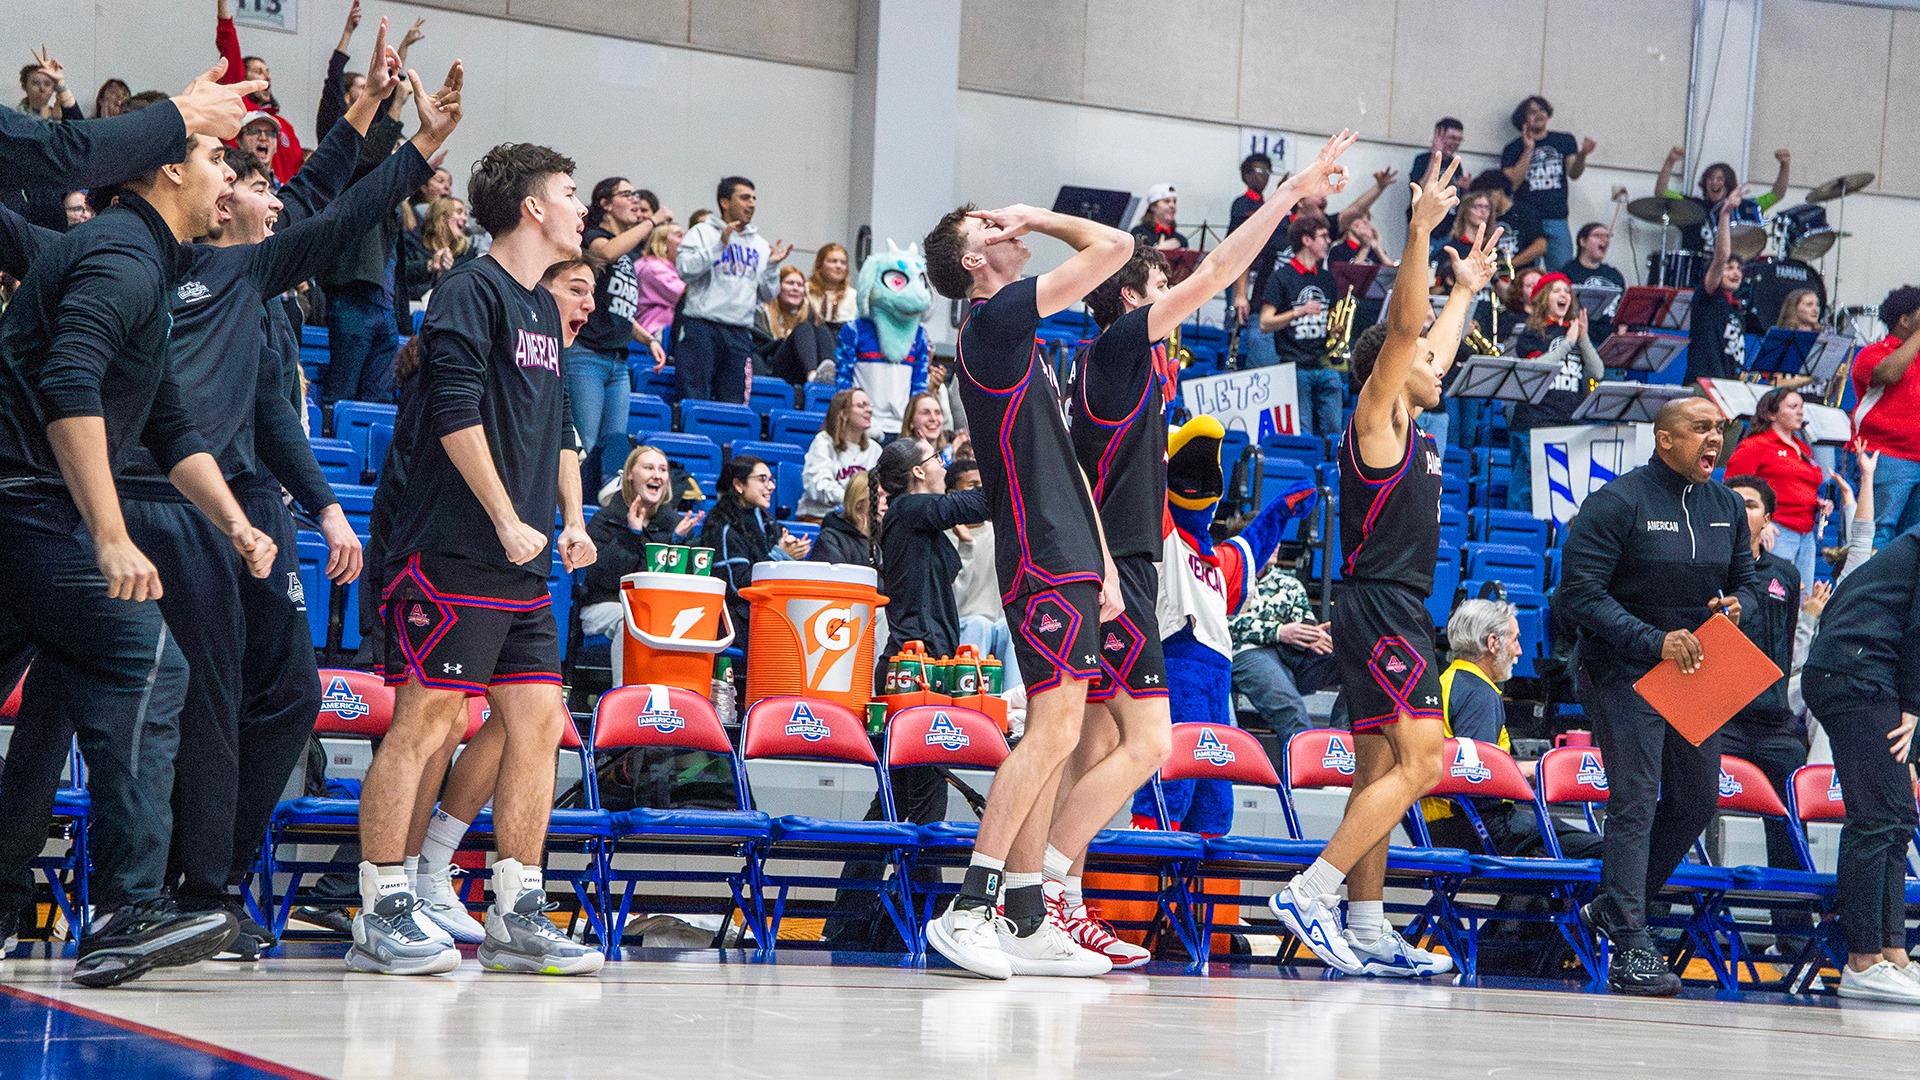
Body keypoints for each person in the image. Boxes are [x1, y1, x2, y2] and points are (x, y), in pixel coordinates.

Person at [1060, 132, 1356, 969]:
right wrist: (1293, 191)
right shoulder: (1120, 349)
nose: (1175, 293)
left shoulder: (1139, 368)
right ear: (1129, 298)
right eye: (1160, 283)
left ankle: (1056, 901)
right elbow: (1221, 271)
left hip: (1124, 568)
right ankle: (1042, 887)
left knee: (1088, 749)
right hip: (1119, 570)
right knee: (1141, 746)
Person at [0, 130, 281, 987]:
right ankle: (128, 910)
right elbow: (69, 383)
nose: (229, 181)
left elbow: (164, 421)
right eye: (216, 164)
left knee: (88, 678)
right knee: (146, 660)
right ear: (168, 170)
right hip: (28, 505)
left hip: (32, 510)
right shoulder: (121, 258)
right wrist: (113, 532)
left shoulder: (144, 264)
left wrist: (234, 520)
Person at [348, 141, 605, 978]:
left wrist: (560, 522)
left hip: (522, 563)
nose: (581, 207)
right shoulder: (470, 290)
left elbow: (549, 430)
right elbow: (456, 414)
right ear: (533, 207)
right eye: (570, 193)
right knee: (426, 722)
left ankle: (516, 904)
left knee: (536, 722)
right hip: (454, 550)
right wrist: (504, 517)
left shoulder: (540, 308)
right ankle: (381, 905)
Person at [1264, 157, 1493, 979]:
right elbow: (1406, 335)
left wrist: (1464, 289)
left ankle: (1364, 924)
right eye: (1426, 360)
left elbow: (1428, 338)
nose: (1442, 363)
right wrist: (1423, 231)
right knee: (1426, 761)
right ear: (1391, 375)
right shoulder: (1378, 416)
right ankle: (1313, 890)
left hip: (1379, 607)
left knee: (1380, 769)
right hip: (1384, 607)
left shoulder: (1413, 420)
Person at [918, 192, 1133, 980]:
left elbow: (1067, 467)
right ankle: (969, 909)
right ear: (975, 261)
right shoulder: (996, 319)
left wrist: (1104, 561)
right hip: (1040, 554)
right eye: (991, 231)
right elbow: (1115, 247)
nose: (1007, 234)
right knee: (1049, 733)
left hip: (1069, 550)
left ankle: (1026, 912)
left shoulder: (1018, 336)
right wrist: (1039, 218)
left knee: (1064, 737)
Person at [1556, 396, 1755, 995]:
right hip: (1623, 669)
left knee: (1696, 801)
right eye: (1700, 429)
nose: (1714, 438)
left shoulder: (1725, 505)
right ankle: (1632, 943)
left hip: (1695, 667)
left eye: (1718, 429)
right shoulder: (1618, 501)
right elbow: (1580, 595)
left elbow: (1744, 576)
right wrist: (1652, 640)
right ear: (1665, 440)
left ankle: (1617, 908)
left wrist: (1737, 603)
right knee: (1636, 800)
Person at [1800, 530, 1920, 1003]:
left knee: (1897, 819)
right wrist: (1913, 704)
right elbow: (1918, 631)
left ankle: (1894, 955)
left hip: (1860, 670)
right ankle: (1862, 960)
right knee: (1875, 819)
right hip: (1857, 675)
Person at [1421, 600, 1602, 859]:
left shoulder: (1446, 682)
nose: (1519, 651)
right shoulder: (1479, 695)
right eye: (1515, 640)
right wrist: (1528, 772)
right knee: (1610, 853)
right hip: (1480, 829)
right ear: (1493, 643)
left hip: (1442, 825)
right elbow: (1476, 778)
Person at [1715, 475, 1811, 940]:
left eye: (1750, 505)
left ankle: (1793, 938)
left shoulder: (1785, 576)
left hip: (1772, 723)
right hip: (1719, 718)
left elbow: (1787, 644)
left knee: (1790, 824)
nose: (1740, 511)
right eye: (1733, 504)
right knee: (1680, 804)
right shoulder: (1706, 569)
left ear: (1768, 519)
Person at [573, 177, 671, 475]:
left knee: (614, 448)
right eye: (627, 195)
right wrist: (652, 220)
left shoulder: (628, 255)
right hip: (587, 355)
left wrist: (649, 340)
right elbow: (604, 254)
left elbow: (618, 309)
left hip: (618, 361)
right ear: (605, 203)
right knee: (585, 445)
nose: (635, 202)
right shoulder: (593, 236)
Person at [675, 175, 789, 403]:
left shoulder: (759, 244)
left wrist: (772, 266)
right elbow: (684, 270)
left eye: (754, 199)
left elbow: (768, 294)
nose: (752, 204)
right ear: (725, 202)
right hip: (702, 328)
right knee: (694, 399)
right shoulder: (702, 232)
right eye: (745, 198)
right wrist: (720, 245)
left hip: (739, 333)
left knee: (733, 403)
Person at [1503, 273, 1602, 512]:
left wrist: (1583, 338)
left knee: (1558, 490)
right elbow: (1536, 369)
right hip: (1534, 421)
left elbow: (1597, 372)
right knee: (1526, 487)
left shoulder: (1576, 335)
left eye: (1567, 291)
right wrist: (1566, 344)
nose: (1564, 296)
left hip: (1567, 422)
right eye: (1557, 290)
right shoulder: (1532, 333)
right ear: (1545, 297)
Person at [580, 445, 700, 639]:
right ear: (630, 475)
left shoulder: (676, 525)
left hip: (659, 607)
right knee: (633, 620)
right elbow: (604, 578)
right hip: (607, 604)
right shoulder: (605, 519)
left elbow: (691, 581)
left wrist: (677, 542)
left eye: (663, 469)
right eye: (648, 468)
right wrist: (632, 535)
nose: (657, 475)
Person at [1229, 553, 1340, 745]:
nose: (1276, 546)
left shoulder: (1289, 583)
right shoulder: (1226, 576)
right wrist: (1279, 631)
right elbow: (1223, 623)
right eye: (1270, 538)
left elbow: (1303, 618)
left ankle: (1342, 738)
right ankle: (1308, 766)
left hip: (1291, 654)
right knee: (1291, 710)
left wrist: (1312, 633)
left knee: (1362, 660)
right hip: (1247, 652)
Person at [1723, 388, 1828, 586]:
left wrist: (1817, 502)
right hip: (1776, 530)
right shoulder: (1756, 445)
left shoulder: (1803, 448)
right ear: (1771, 414)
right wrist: (1759, 525)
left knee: (1800, 596)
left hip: (1806, 532)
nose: (1800, 412)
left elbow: (1794, 484)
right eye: (1792, 407)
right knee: (1775, 591)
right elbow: (1732, 489)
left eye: (1801, 407)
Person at [702, 455, 811, 641]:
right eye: (762, 479)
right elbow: (736, 587)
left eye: (771, 480)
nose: (771, 486)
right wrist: (779, 556)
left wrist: (792, 555)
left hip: (768, 612)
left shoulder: (767, 520)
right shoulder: (722, 526)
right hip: (735, 618)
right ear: (739, 485)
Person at [1848, 285, 1920, 548]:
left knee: (1912, 542)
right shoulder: (1873, 353)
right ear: (1904, 320)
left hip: (1916, 456)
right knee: (1878, 532)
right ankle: (1869, 590)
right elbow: (1888, 375)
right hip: (1885, 456)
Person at [1259, 215, 1343, 436]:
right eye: (1323, 236)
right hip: (1294, 364)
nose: (1327, 241)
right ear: (1306, 240)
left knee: (1334, 428)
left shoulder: (1326, 278)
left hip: (1325, 363)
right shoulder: (1281, 277)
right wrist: (1299, 312)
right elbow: (1265, 323)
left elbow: (1334, 318)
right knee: (1302, 430)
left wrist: (1338, 329)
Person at [1500, 96, 1594, 269]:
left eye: (1542, 110)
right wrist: (1528, 150)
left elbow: (1574, 173)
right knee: (1524, 274)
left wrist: (1582, 155)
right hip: (1526, 220)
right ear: (1523, 118)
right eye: (1532, 112)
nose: (1539, 115)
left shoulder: (1564, 141)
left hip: (1556, 218)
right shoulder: (1512, 148)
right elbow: (1511, 185)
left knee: (1561, 273)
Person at [215, 0, 302, 184]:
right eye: (259, 71)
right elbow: (228, 46)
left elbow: (299, 174)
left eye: (268, 73)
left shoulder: (285, 126)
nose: (267, 78)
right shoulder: (238, 108)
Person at [1657, 147, 1790, 254]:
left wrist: (1785, 165)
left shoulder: (1744, 207)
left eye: (1720, 179)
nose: (1714, 182)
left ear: (1728, 183)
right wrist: (1670, 163)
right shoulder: (1693, 206)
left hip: (1732, 270)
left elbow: (1777, 194)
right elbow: (1661, 192)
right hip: (1697, 273)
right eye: (1710, 178)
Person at [1686, 192, 1748, 386]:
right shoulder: (1709, 295)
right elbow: (1721, 255)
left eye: (1739, 269)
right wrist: (1725, 214)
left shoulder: (1734, 308)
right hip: (1704, 384)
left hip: (1726, 386)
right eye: (1729, 268)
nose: (1735, 273)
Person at [1229, 152, 1282, 368]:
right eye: (1260, 171)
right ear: (1247, 175)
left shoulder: (1266, 204)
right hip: (1241, 271)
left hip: (1261, 271)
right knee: (1237, 321)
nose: (1265, 176)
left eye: (1268, 172)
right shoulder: (1242, 204)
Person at [799, 387, 880, 520]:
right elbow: (818, 485)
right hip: (821, 517)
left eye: (869, 406)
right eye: (861, 406)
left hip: (860, 519)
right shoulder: (823, 443)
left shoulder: (874, 449)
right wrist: (853, 501)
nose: (869, 410)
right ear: (843, 413)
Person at [1408, 118, 1471, 249]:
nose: (1455, 143)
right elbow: (1422, 189)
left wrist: (1464, 188)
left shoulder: (1455, 163)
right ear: (1438, 136)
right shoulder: (1423, 160)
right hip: (1425, 226)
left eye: (1459, 139)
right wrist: (1435, 155)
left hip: (1448, 228)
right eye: (1452, 138)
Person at [1559, 222, 1625, 345]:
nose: (1604, 240)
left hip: (1610, 337)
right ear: (1582, 241)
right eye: (1598, 235)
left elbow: (1623, 310)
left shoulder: (1614, 275)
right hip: (1581, 335)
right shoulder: (1568, 272)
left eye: (1607, 236)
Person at [810, 468, 877, 568]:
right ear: (859, 502)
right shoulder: (831, 540)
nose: (886, 502)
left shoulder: (888, 538)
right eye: (878, 496)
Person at [633, 221, 686, 347]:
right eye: (679, 235)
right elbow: (684, 296)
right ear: (662, 243)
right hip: (655, 332)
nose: (685, 240)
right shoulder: (653, 267)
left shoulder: (668, 267)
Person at [757, 265, 811, 344]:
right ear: (778, 287)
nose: (795, 288)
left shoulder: (808, 318)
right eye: (790, 283)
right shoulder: (762, 313)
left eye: (800, 285)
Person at [807, 242, 857, 327]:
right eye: (833, 261)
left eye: (843, 263)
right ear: (819, 265)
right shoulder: (806, 291)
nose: (839, 266)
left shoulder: (853, 296)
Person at [899, 390, 955, 461]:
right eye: (925, 413)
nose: (933, 418)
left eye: (937, 412)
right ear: (911, 421)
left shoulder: (952, 455)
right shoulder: (902, 459)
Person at [1131, 183, 1186, 250]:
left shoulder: (1181, 240)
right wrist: (1159, 249)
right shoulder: (1139, 233)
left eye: (1174, 202)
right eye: (1167, 201)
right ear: (1153, 206)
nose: (1172, 205)